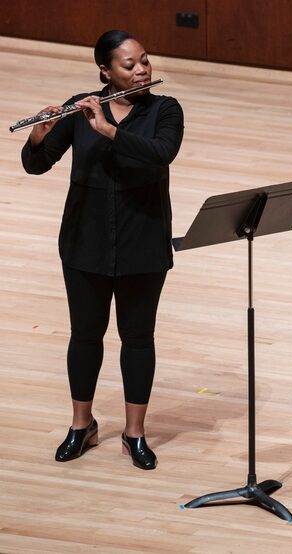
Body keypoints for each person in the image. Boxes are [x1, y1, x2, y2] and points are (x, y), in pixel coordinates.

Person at [21, 30, 184, 470]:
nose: (142, 70)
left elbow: (160, 154)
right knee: (85, 335)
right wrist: (41, 132)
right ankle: (81, 425)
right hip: (84, 242)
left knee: (137, 338)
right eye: (129, 65)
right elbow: (36, 165)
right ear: (105, 71)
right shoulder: (82, 106)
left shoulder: (165, 110)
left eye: (145, 61)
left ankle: (135, 433)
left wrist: (109, 131)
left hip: (143, 242)